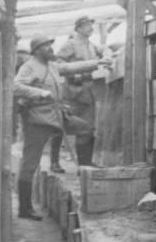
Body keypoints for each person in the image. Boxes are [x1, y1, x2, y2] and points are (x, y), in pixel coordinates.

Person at [14, 34, 110, 220]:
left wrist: (98, 62)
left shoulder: (52, 66)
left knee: (85, 128)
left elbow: (70, 67)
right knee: (29, 165)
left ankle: (84, 168)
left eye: (51, 45)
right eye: (47, 46)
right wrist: (41, 93)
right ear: (37, 50)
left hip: (58, 116)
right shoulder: (28, 67)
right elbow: (15, 87)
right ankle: (24, 210)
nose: (51, 49)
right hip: (37, 121)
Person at [54, 16, 112, 169]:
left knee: (88, 128)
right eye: (87, 25)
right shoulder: (70, 44)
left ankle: (85, 165)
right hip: (71, 93)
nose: (90, 28)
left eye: (91, 25)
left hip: (87, 92)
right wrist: (73, 73)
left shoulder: (91, 45)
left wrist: (106, 55)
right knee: (60, 126)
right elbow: (57, 62)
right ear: (78, 28)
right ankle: (54, 162)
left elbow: (105, 49)